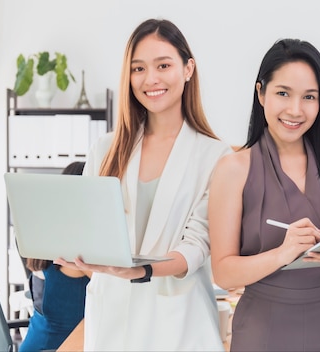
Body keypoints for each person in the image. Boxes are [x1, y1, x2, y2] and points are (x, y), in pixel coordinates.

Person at [54, 18, 232, 351]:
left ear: (188, 68)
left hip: (180, 325)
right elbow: (93, 239)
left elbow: (197, 245)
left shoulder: (216, 156)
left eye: (163, 65)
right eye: (138, 69)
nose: (150, 79)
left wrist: (140, 272)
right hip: (112, 322)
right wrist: (75, 257)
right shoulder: (106, 149)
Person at [208, 38, 320, 351]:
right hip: (263, 334)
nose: (295, 110)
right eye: (283, 93)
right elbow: (223, 273)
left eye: (309, 97)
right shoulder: (233, 169)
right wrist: (283, 254)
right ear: (260, 93)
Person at [18, 161, 92, 352]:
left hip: (34, 344)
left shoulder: (44, 238)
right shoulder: (75, 250)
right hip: (61, 347)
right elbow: (109, 286)